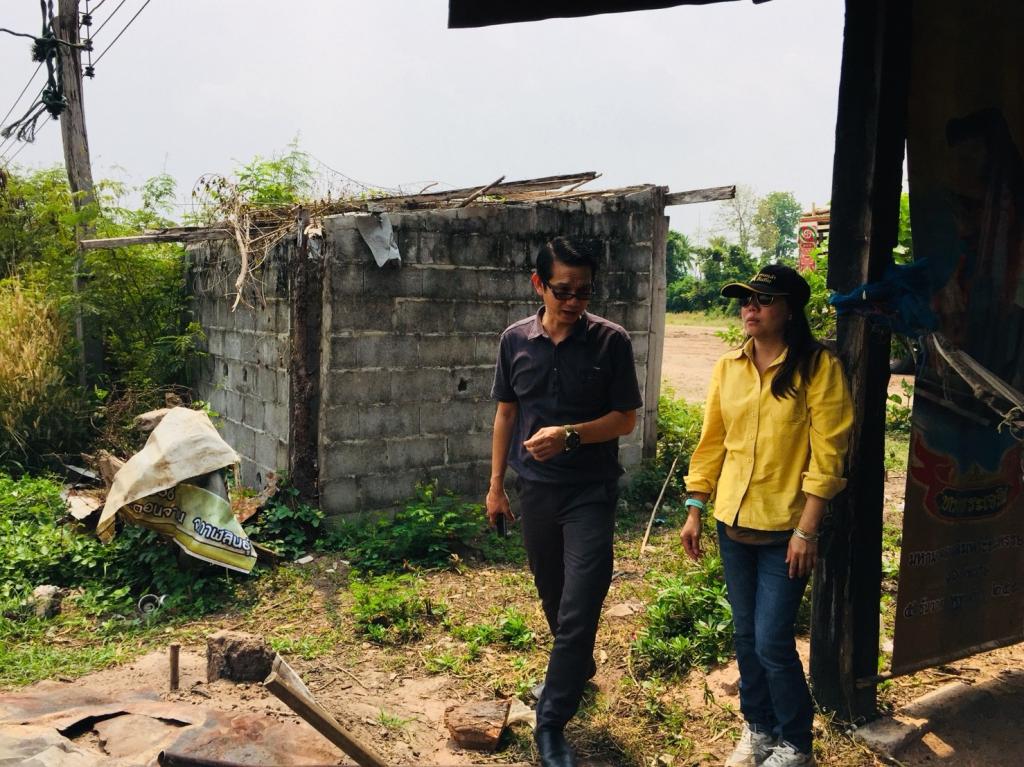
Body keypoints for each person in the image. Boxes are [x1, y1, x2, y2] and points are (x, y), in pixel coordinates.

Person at [680, 264, 853, 767]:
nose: (750, 308)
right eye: (746, 299)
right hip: (732, 521)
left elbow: (829, 453)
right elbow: (713, 442)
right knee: (744, 634)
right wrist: (695, 507)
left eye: (763, 299)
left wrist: (807, 529)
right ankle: (758, 728)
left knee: (773, 640)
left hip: (786, 529)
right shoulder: (728, 367)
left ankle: (796, 743)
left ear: (790, 310)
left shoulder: (818, 367)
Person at [487, 236, 643, 767]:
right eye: (563, 291)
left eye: (585, 292)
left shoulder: (610, 341)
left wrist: (570, 435)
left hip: (590, 492)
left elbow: (625, 419)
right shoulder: (514, 340)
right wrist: (495, 486)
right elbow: (506, 413)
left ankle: (551, 723)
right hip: (535, 491)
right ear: (539, 285)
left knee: (581, 603)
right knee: (553, 596)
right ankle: (578, 668)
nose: (575, 301)